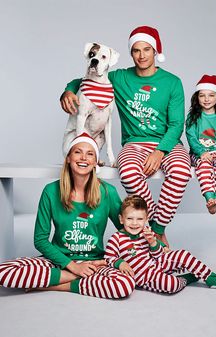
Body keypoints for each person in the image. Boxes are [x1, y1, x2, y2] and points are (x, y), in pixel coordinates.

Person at [60, 25, 192, 247]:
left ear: (156, 51)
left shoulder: (172, 82)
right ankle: (150, 232)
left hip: (167, 144)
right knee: (129, 173)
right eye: (136, 50)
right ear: (131, 53)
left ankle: (157, 230)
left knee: (180, 171)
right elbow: (88, 78)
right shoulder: (120, 78)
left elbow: (177, 124)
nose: (141, 55)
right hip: (134, 144)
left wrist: (160, 152)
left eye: (147, 49)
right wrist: (69, 90)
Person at [0, 133, 135, 299]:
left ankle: (51, 285)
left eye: (90, 153)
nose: (83, 157)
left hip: (95, 262)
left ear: (95, 163)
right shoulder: (50, 191)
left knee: (123, 285)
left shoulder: (107, 192)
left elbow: (126, 229)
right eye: (78, 152)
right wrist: (73, 267)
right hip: (58, 261)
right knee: (4, 272)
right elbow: (40, 239)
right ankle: (77, 279)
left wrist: (120, 258)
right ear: (69, 158)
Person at [104, 195, 216, 294]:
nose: (134, 223)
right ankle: (186, 279)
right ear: (121, 219)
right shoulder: (117, 238)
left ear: (146, 219)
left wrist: (153, 243)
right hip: (144, 276)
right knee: (170, 285)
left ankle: (209, 277)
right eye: (129, 219)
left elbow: (157, 255)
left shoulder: (145, 233)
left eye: (139, 219)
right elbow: (108, 257)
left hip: (155, 264)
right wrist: (120, 263)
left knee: (182, 254)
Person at [186, 75, 216, 214]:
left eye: (211, 95)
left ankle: (215, 199)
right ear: (197, 97)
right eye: (202, 95)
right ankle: (208, 197)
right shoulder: (193, 117)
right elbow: (191, 138)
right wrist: (201, 153)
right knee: (204, 166)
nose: (206, 99)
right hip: (198, 154)